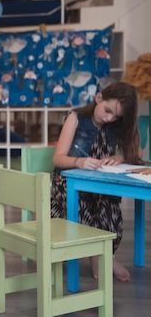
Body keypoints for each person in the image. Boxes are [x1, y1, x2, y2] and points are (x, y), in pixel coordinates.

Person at [51, 81, 143, 282]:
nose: (109, 118)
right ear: (98, 98)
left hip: (98, 186)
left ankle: (106, 255)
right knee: (85, 208)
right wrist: (80, 161)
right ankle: (99, 258)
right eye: (108, 110)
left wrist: (118, 158)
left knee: (111, 213)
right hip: (67, 184)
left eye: (116, 116)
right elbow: (57, 158)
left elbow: (137, 151)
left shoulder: (114, 125)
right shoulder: (76, 118)